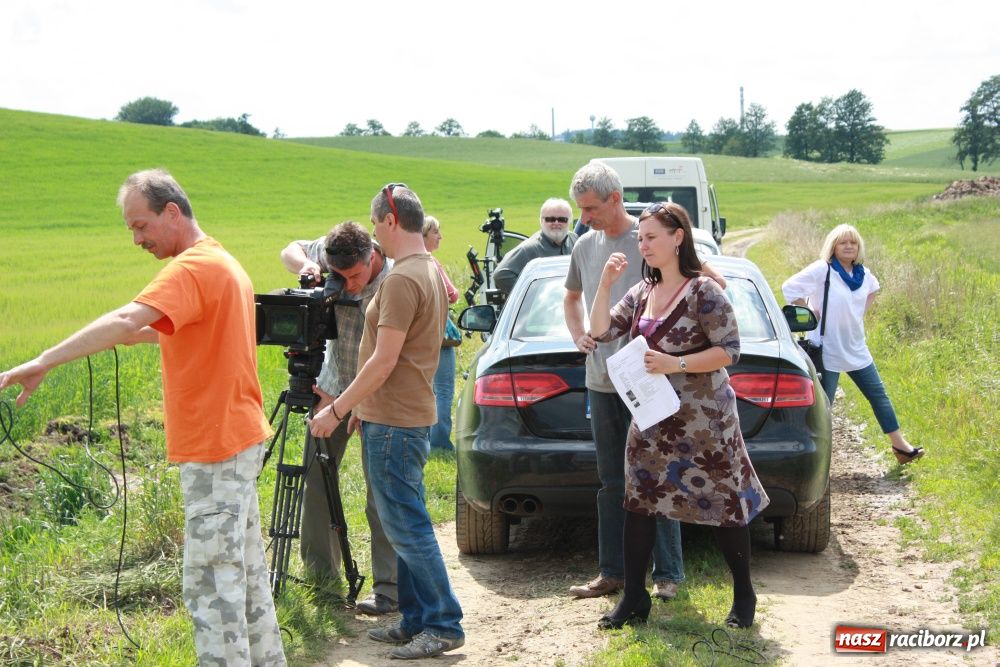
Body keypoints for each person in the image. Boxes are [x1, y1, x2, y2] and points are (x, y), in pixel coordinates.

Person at [0, 169, 286, 665]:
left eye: (141, 225)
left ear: (172, 212)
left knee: (212, 588)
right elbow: (158, 327)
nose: (136, 239)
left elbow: (128, 318)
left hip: (215, 448)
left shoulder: (192, 268)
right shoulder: (221, 262)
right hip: (237, 440)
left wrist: (44, 360)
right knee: (245, 578)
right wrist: (99, 340)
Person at [589, 201, 770, 630]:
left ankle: (744, 595)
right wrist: (605, 284)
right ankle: (635, 599)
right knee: (639, 503)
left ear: (677, 238)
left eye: (652, 237)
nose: (643, 245)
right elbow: (600, 331)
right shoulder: (641, 291)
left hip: (705, 421)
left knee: (724, 505)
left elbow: (730, 351)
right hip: (653, 417)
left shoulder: (704, 291)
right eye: (640, 238)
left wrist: (677, 364)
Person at [308, 183, 464, 660]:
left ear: (391, 220)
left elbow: (383, 360)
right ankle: (415, 618)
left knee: (409, 528)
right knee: (402, 526)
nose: (375, 231)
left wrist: (338, 408)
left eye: (376, 222)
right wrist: (361, 407)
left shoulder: (400, 280)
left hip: (395, 422)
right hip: (398, 416)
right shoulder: (428, 269)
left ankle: (443, 624)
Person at [563, 162, 686, 603]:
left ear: (615, 199)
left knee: (658, 476)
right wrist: (578, 333)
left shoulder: (649, 239)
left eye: (591, 209)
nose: (583, 218)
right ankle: (611, 573)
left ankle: (668, 575)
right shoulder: (583, 245)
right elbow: (571, 297)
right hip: (601, 380)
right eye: (581, 209)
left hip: (650, 382)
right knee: (612, 481)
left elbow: (695, 283)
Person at [279, 221, 400, 615]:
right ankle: (321, 580)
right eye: (339, 276)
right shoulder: (335, 252)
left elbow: (387, 360)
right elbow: (290, 248)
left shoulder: (395, 280)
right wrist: (306, 267)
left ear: (373, 257)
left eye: (355, 276)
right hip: (331, 389)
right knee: (315, 481)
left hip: (379, 396)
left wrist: (355, 406)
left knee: (380, 495)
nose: (347, 285)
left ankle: (389, 589)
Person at [781, 223, 923, 465]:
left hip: (856, 347)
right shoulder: (823, 270)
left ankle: (901, 447)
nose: (849, 246)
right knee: (823, 406)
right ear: (833, 246)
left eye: (853, 242)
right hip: (827, 349)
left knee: (878, 395)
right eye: (843, 242)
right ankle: (811, 458)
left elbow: (874, 289)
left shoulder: (864, 275)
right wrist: (812, 314)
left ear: (859, 247)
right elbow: (790, 287)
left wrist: (857, 316)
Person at [422, 215, 460, 451]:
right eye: (436, 232)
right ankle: (440, 442)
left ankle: (424, 437)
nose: (440, 237)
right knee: (443, 388)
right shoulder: (431, 262)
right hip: (438, 333)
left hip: (418, 333)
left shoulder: (404, 262)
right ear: (424, 234)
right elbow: (452, 294)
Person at [493, 198, 578, 296]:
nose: (556, 223)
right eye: (550, 219)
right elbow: (501, 275)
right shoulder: (529, 248)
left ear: (569, 221)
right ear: (541, 221)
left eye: (562, 219)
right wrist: (533, 295)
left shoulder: (574, 240)